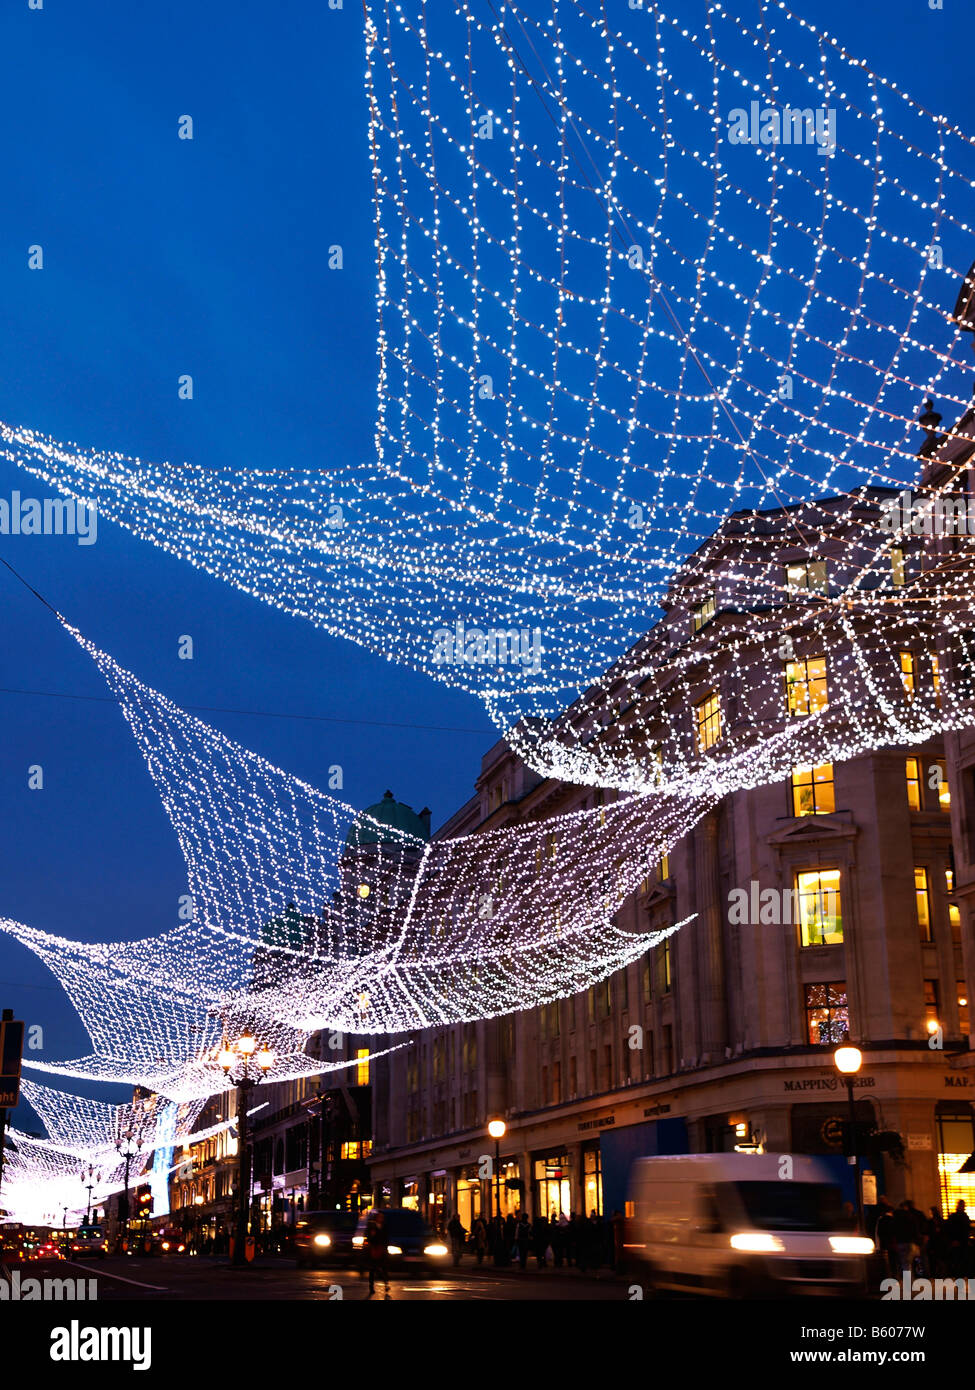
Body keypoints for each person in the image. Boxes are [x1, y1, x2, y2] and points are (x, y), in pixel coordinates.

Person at [892, 1200, 923, 1276]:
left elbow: (893, 1230)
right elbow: (915, 1230)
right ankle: (912, 1280)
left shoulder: (895, 1217)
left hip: (900, 1242)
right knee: (910, 1262)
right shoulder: (911, 1217)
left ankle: (908, 1282)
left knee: (905, 1263)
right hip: (910, 1242)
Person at [365, 1208, 390, 1297]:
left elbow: (386, 1237)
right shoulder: (372, 1226)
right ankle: (371, 1287)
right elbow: (368, 1236)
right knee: (372, 1269)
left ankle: (386, 1283)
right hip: (373, 1249)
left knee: (383, 1267)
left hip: (381, 1249)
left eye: (382, 1217)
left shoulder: (384, 1226)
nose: (381, 1218)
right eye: (379, 1217)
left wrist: (386, 1246)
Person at [946, 1198, 972, 1276]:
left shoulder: (955, 1216)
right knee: (961, 1263)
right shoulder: (963, 1217)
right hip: (961, 1242)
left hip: (959, 1242)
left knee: (959, 1263)